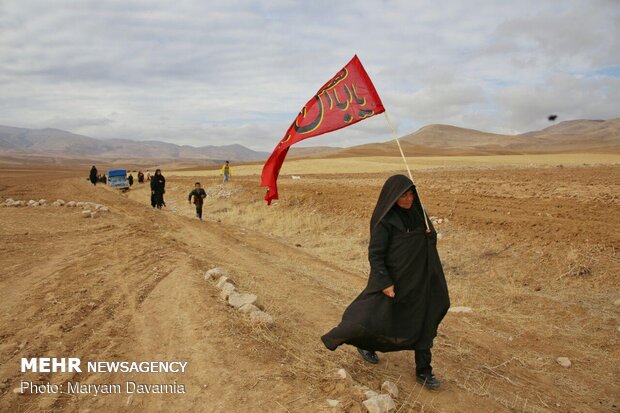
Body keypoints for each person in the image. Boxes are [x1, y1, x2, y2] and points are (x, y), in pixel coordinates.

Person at [321, 175, 450, 390]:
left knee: (424, 320)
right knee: (373, 317)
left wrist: (429, 236)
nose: (408, 200)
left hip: (420, 281)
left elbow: (429, 242)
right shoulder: (385, 220)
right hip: (393, 280)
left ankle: (424, 371)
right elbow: (376, 254)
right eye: (403, 196)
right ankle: (360, 343)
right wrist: (385, 282)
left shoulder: (420, 215)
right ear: (393, 197)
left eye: (411, 194)